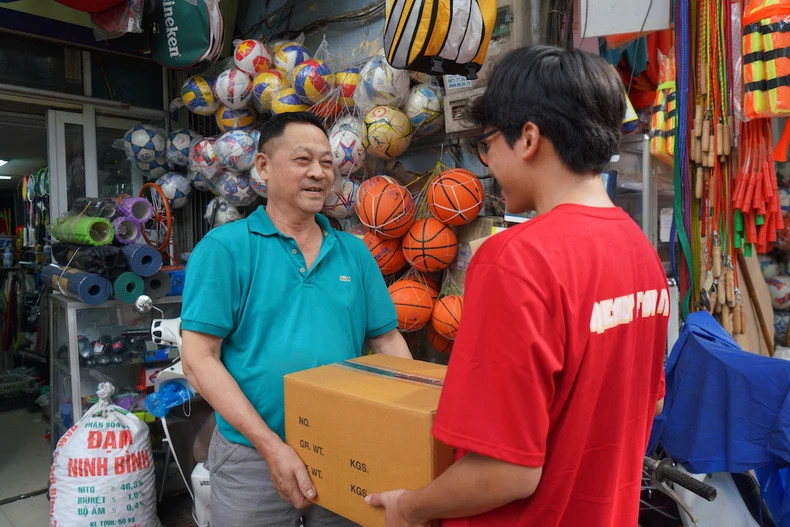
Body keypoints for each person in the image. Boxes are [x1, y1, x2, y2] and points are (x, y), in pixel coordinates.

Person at [366, 44, 668, 526]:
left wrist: (410, 506)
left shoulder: (517, 258)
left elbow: (507, 471)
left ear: (528, 138)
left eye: (487, 144)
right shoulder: (640, 250)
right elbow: (650, 402)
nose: (487, 162)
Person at [180, 111, 412, 527]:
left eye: (327, 163)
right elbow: (199, 360)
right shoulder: (225, 248)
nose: (319, 174)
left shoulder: (354, 253)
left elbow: (388, 341)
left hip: (344, 449)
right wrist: (271, 447)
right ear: (264, 167)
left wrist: (407, 425)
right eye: (303, 160)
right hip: (250, 454)